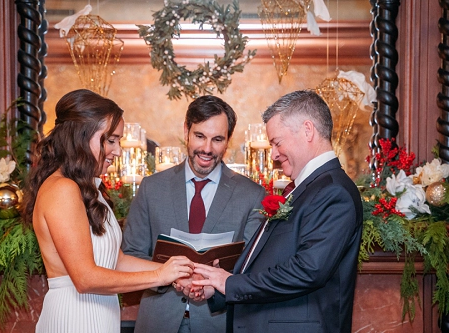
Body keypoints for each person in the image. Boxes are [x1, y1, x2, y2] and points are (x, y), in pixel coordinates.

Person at [23, 89, 193, 333]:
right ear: (82, 136)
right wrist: (159, 276)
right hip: (75, 318)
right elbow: (85, 278)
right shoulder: (62, 188)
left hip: (98, 315)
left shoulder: (89, 190)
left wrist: (175, 270)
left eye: (119, 141)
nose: (118, 150)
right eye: (111, 140)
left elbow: (117, 261)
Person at [193, 90, 363, 333]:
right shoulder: (308, 187)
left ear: (307, 131)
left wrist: (230, 283)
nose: (273, 154)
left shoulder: (333, 191)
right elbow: (273, 260)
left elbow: (308, 270)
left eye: (277, 142)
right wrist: (219, 285)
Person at [121, 95, 266, 333]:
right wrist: (170, 276)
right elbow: (130, 255)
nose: (207, 149)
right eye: (200, 136)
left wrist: (216, 282)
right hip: (158, 321)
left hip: (219, 322)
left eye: (217, 139)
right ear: (186, 130)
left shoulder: (251, 194)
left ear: (228, 140)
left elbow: (252, 266)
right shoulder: (152, 188)